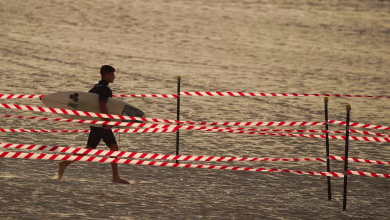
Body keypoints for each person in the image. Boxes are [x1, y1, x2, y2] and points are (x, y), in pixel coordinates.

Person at [57, 64, 129, 184]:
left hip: (95, 121)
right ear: (106, 74)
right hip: (101, 122)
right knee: (109, 147)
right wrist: (107, 120)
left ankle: (64, 164)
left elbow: (88, 103)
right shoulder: (105, 89)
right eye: (112, 74)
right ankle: (115, 177)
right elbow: (102, 105)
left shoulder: (96, 87)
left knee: (96, 148)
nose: (114, 77)